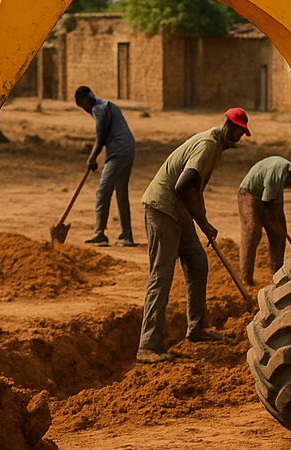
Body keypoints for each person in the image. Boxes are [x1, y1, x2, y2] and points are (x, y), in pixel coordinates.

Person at [135, 108, 250, 364]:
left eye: (242, 132)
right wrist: (203, 222)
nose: (239, 136)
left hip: (180, 212)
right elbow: (183, 185)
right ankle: (148, 346)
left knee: (198, 264)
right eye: (236, 130)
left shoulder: (214, 146)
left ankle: (196, 328)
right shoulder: (208, 146)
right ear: (226, 125)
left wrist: (200, 218)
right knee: (161, 278)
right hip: (163, 210)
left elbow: (193, 188)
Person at [75, 86, 138, 247]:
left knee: (103, 191)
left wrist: (92, 158)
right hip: (128, 148)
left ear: (85, 101)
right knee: (121, 192)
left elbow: (100, 137)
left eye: (83, 107)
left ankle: (100, 233)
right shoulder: (105, 104)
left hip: (118, 151)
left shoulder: (99, 109)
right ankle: (126, 236)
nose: (86, 110)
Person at [237, 156, 291, 284]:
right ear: (289, 179)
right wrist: (273, 220)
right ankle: (246, 279)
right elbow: (269, 204)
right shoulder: (277, 174)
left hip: (267, 195)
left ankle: (277, 279)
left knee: (279, 234)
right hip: (249, 194)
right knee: (253, 232)